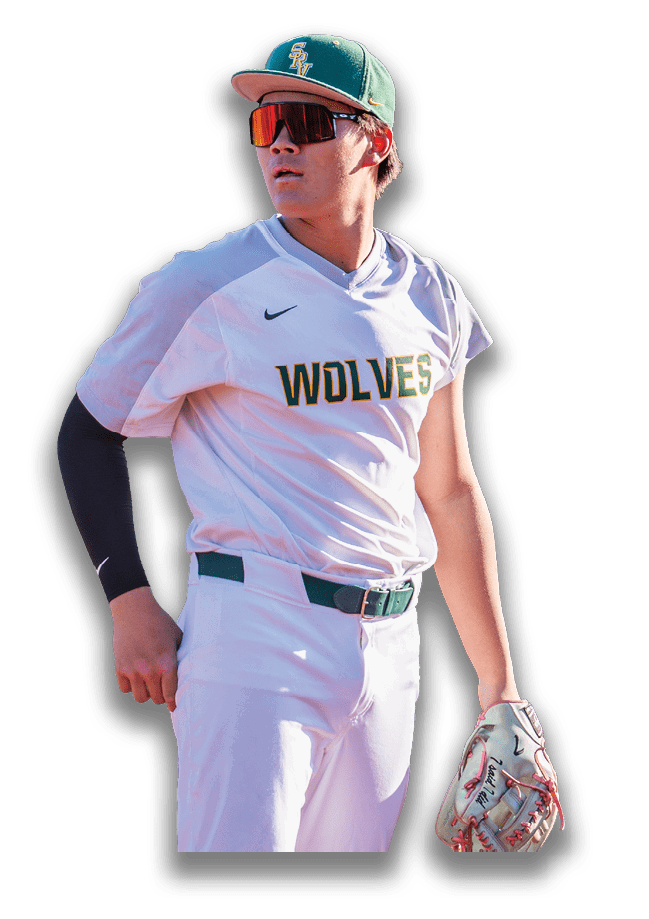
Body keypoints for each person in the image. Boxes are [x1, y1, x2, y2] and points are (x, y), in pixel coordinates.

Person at [57, 32, 521, 853]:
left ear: (374, 141)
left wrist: (500, 690)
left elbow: (448, 488)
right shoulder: (205, 282)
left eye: (305, 123)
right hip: (256, 630)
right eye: (265, 124)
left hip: (393, 642)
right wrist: (127, 600)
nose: (278, 145)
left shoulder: (429, 291)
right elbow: (88, 427)